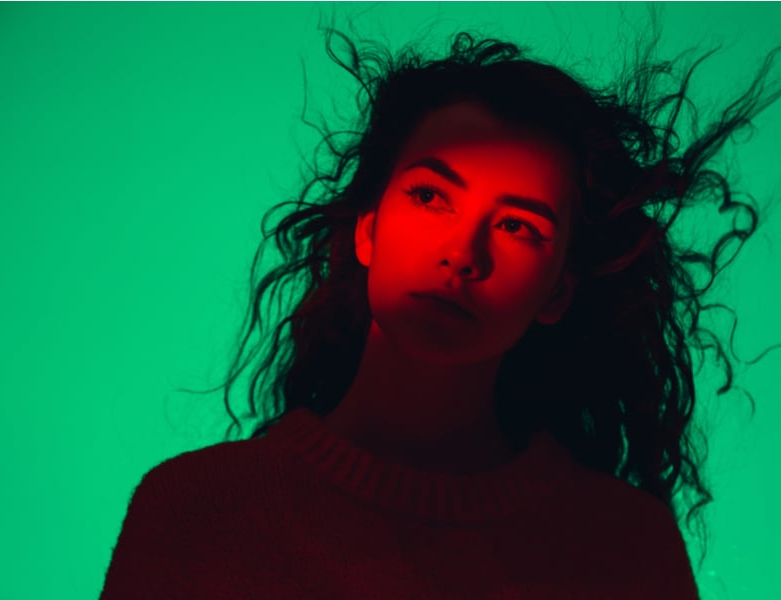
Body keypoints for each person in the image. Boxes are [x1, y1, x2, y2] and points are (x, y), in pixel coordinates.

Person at [100, 18, 781, 600]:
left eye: (519, 227)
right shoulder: (197, 512)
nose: (463, 254)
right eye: (431, 197)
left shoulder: (625, 549)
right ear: (367, 229)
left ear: (558, 292)